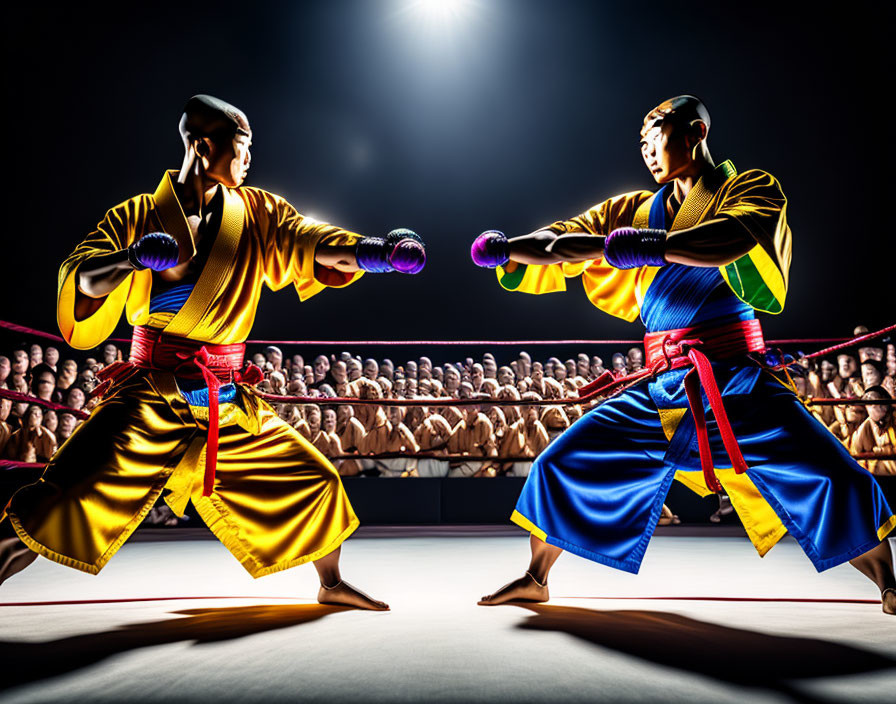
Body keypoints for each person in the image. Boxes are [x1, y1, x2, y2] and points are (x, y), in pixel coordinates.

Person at [470, 95, 895, 613]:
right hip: (663, 386)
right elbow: (563, 241)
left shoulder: (750, 189)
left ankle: (889, 581)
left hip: (738, 381)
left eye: (658, 134)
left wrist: (653, 245)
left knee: (835, 475)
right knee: (563, 461)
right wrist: (509, 246)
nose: (647, 149)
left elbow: (733, 239)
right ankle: (536, 577)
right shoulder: (629, 209)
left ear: (695, 132)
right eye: (642, 142)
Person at [1, 94, 427, 610]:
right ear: (204, 146)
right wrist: (129, 259)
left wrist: (377, 254)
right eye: (241, 148)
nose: (249, 160)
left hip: (223, 395)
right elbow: (81, 275)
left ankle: (331, 584)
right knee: (60, 498)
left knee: (312, 476)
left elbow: (310, 241)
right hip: (149, 390)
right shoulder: (135, 215)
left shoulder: (257, 212)